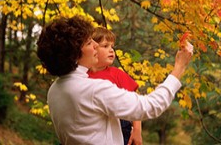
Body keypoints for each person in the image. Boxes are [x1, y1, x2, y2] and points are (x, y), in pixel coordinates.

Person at [36, 15, 193, 145]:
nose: (96, 46)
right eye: (90, 42)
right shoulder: (93, 89)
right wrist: (179, 67)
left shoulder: (54, 90)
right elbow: (149, 106)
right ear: (75, 53)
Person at [87, 27, 142, 145]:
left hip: (121, 125)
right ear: (93, 48)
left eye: (112, 46)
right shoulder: (83, 75)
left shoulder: (117, 74)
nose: (111, 50)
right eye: (105, 46)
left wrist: (137, 130)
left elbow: (135, 103)